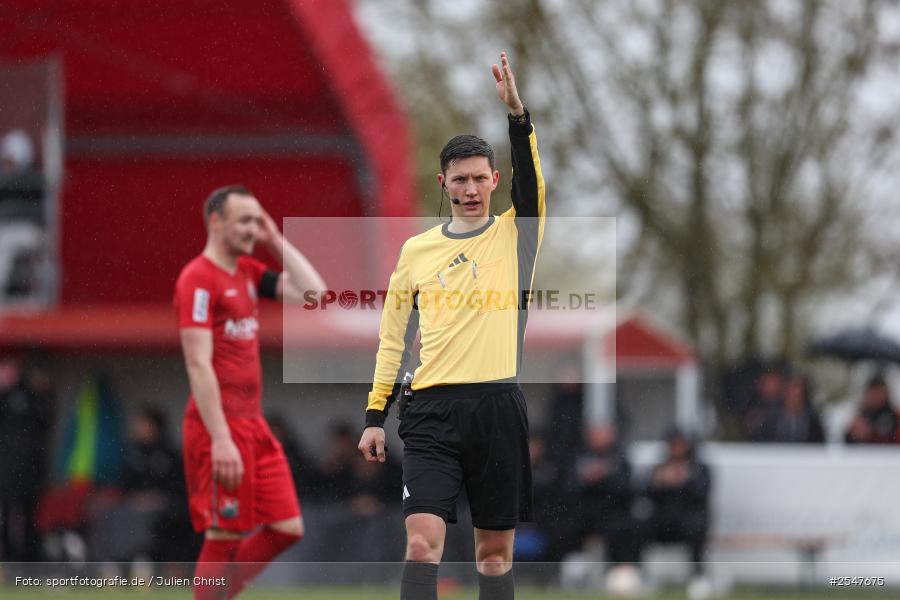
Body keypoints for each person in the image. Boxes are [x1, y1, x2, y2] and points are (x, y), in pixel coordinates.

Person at [357, 52, 545, 600]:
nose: (469, 188)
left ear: (494, 181)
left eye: (479, 179)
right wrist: (374, 416)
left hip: (497, 410)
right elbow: (392, 337)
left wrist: (517, 116)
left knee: (493, 554)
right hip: (431, 413)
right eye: (458, 179)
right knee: (421, 544)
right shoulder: (416, 251)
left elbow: (532, 182)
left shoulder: (516, 236)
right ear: (443, 182)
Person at [175, 185, 326, 600]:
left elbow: (316, 294)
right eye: (245, 220)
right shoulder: (198, 279)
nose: (252, 229)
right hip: (218, 427)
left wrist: (274, 240)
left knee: (287, 527)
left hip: (252, 424)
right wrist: (221, 438)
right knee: (225, 532)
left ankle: (220, 593)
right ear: (215, 221)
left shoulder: (246, 272)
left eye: (257, 220)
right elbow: (197, 363)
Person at [637, 428, 711, 580]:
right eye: (673, 445)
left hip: (688, 521)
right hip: (663, 522)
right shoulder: (659, 468)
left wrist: (684, 480)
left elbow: (703, 493)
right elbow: (643, 494)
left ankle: (698, 574)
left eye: (680, 444)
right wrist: (659, 482)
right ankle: (637, 573)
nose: (676, 449)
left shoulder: (699, 468)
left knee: (697, 527)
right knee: (636, 526)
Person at [845, 375, 900, 444]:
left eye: (879, 392)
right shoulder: (861, 417)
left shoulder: (895, 416)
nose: (876, 397)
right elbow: (847, 444)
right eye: (873, 393)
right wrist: (852, 435)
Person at [773, 375, 825, 444]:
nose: (794, 398)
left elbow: (818, 445)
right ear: (784, 394)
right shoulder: (772, 418)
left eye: (798, 395)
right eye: (791, 393)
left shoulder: (813, 421)